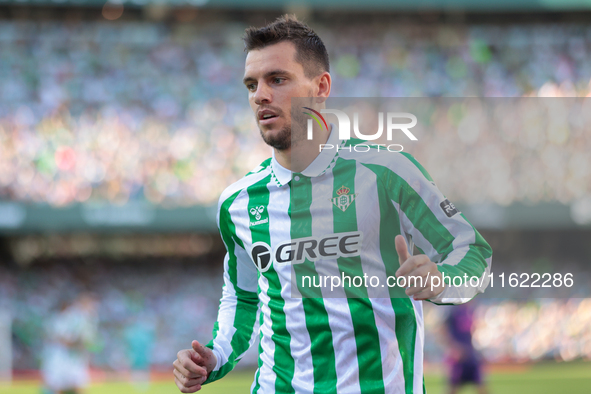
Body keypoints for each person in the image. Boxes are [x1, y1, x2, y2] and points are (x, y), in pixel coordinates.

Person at [173, 15, 492, 393]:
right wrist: (216, 355)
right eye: (251, 84)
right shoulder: (239, 202)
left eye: (277, 79)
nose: (260, 95)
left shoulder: (387, 173)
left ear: (321, 87)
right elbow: (243, 296)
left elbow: (472, 252)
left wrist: (442, 280)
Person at [41, 294, 98, 394]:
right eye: (89, 304)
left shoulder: (84, 319)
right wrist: (75, 344)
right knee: (60, 387)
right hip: (61, 358)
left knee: (75, 386)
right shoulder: (71, 317)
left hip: (73, 358)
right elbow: (58, 337)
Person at [444, 304, 488, 394]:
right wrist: (454, 347)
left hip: (470, 354)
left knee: (481, 385)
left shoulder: (470, 311)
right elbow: (443, 331)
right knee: (453, 387)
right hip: (459, 357)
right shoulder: (453, 312)